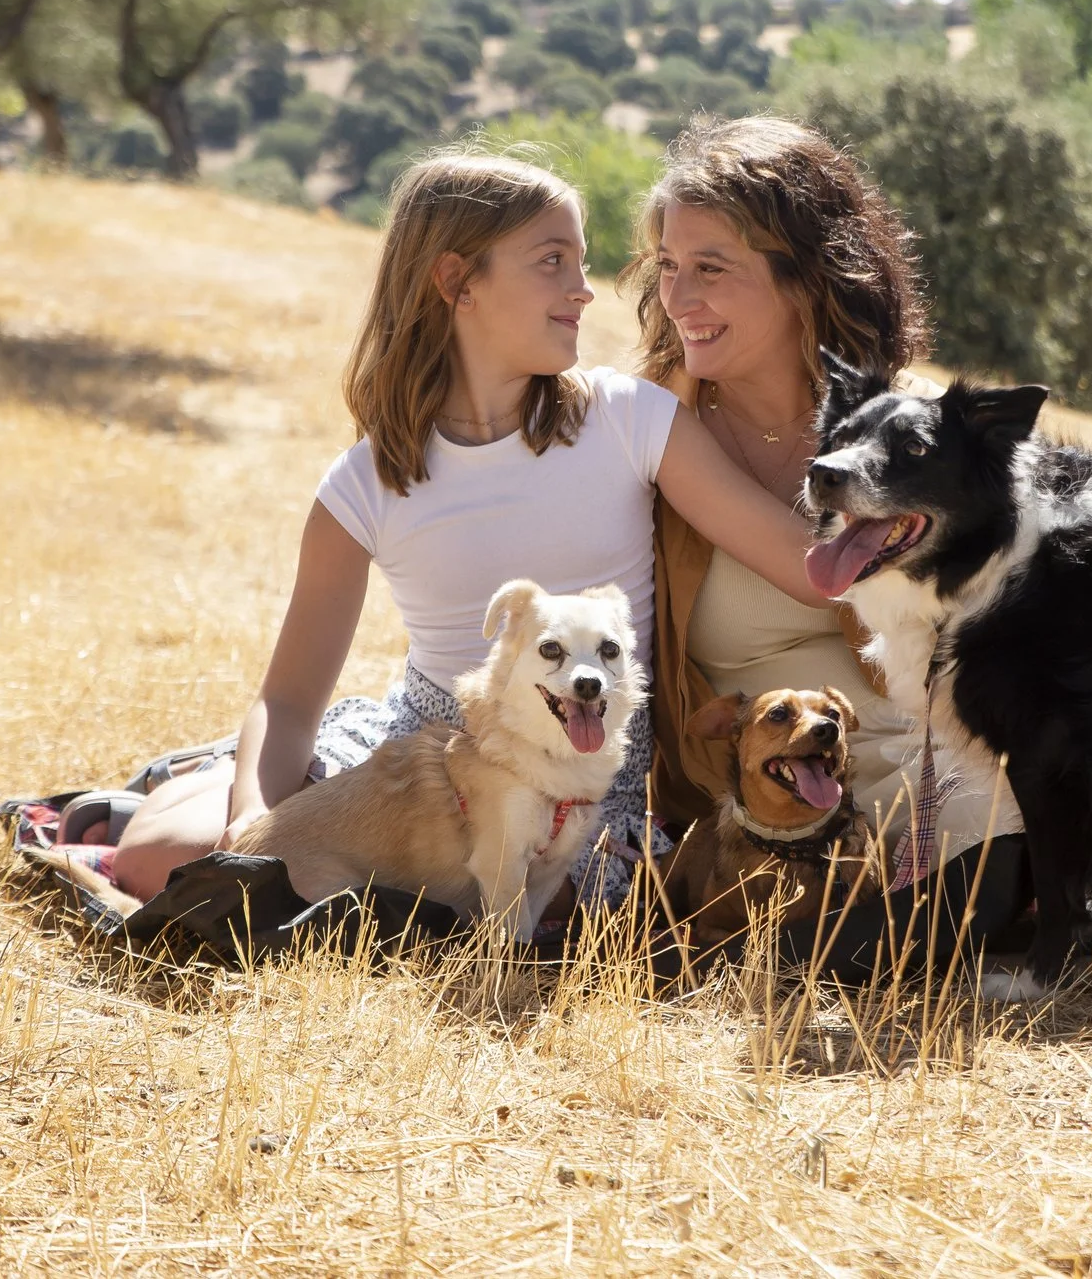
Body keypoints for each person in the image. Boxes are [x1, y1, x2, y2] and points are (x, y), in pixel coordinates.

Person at [101, 148, 826, 909]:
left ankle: (344, 884)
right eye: (552, 261)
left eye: (581, 262)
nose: (583, 289)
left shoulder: (629, 419)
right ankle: (219, 790)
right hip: (418, 764)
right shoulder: (366, 484)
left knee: (529, 906)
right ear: (456, 281)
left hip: (578, 779)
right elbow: (286, 702)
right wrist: (251, 820)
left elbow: (807, 568)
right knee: (160, 858)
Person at [629, 115, 1030, 979]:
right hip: (772, 792)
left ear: (807, 280)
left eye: (711, 268)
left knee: (1001, 832)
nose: (679, 297)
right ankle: (793, 953)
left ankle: (824, 950)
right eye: (667, 265)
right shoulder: (648, 430)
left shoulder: (912, 428)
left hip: (931, 760)